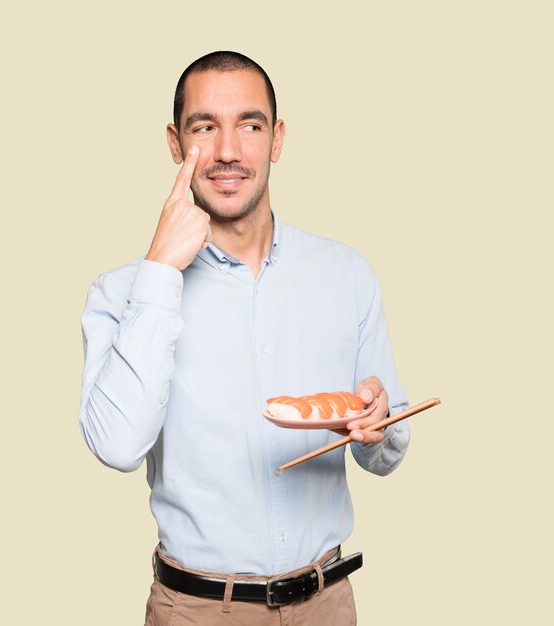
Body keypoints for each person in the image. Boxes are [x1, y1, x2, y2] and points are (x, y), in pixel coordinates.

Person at [79, 51, 410, 626]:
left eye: (249, 125)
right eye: (205, 127)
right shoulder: (124, 291)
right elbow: (116, 447)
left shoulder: (347, 274)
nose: (228, 151)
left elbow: (386, 448)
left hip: (327, 604)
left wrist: (375, 428)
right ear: (175, 143)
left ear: (276, 138)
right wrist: (160, 270)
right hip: (198, 610)